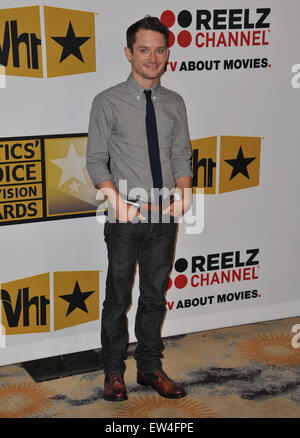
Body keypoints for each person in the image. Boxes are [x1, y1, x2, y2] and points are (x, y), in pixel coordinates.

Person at [86, 16, 193, 402]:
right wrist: (118, 202)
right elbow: (96, 160)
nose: (153, 57)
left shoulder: (174, 103)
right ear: (129, 53)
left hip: (164, 217)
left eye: (160, 49)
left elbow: (181, 153)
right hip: (125, 217)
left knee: (154, 297)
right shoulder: (107, 101)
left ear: (168, 53)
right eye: (144, 50)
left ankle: (150, 368)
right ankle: (114, 371)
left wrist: (185, 194)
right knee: (117, 297)